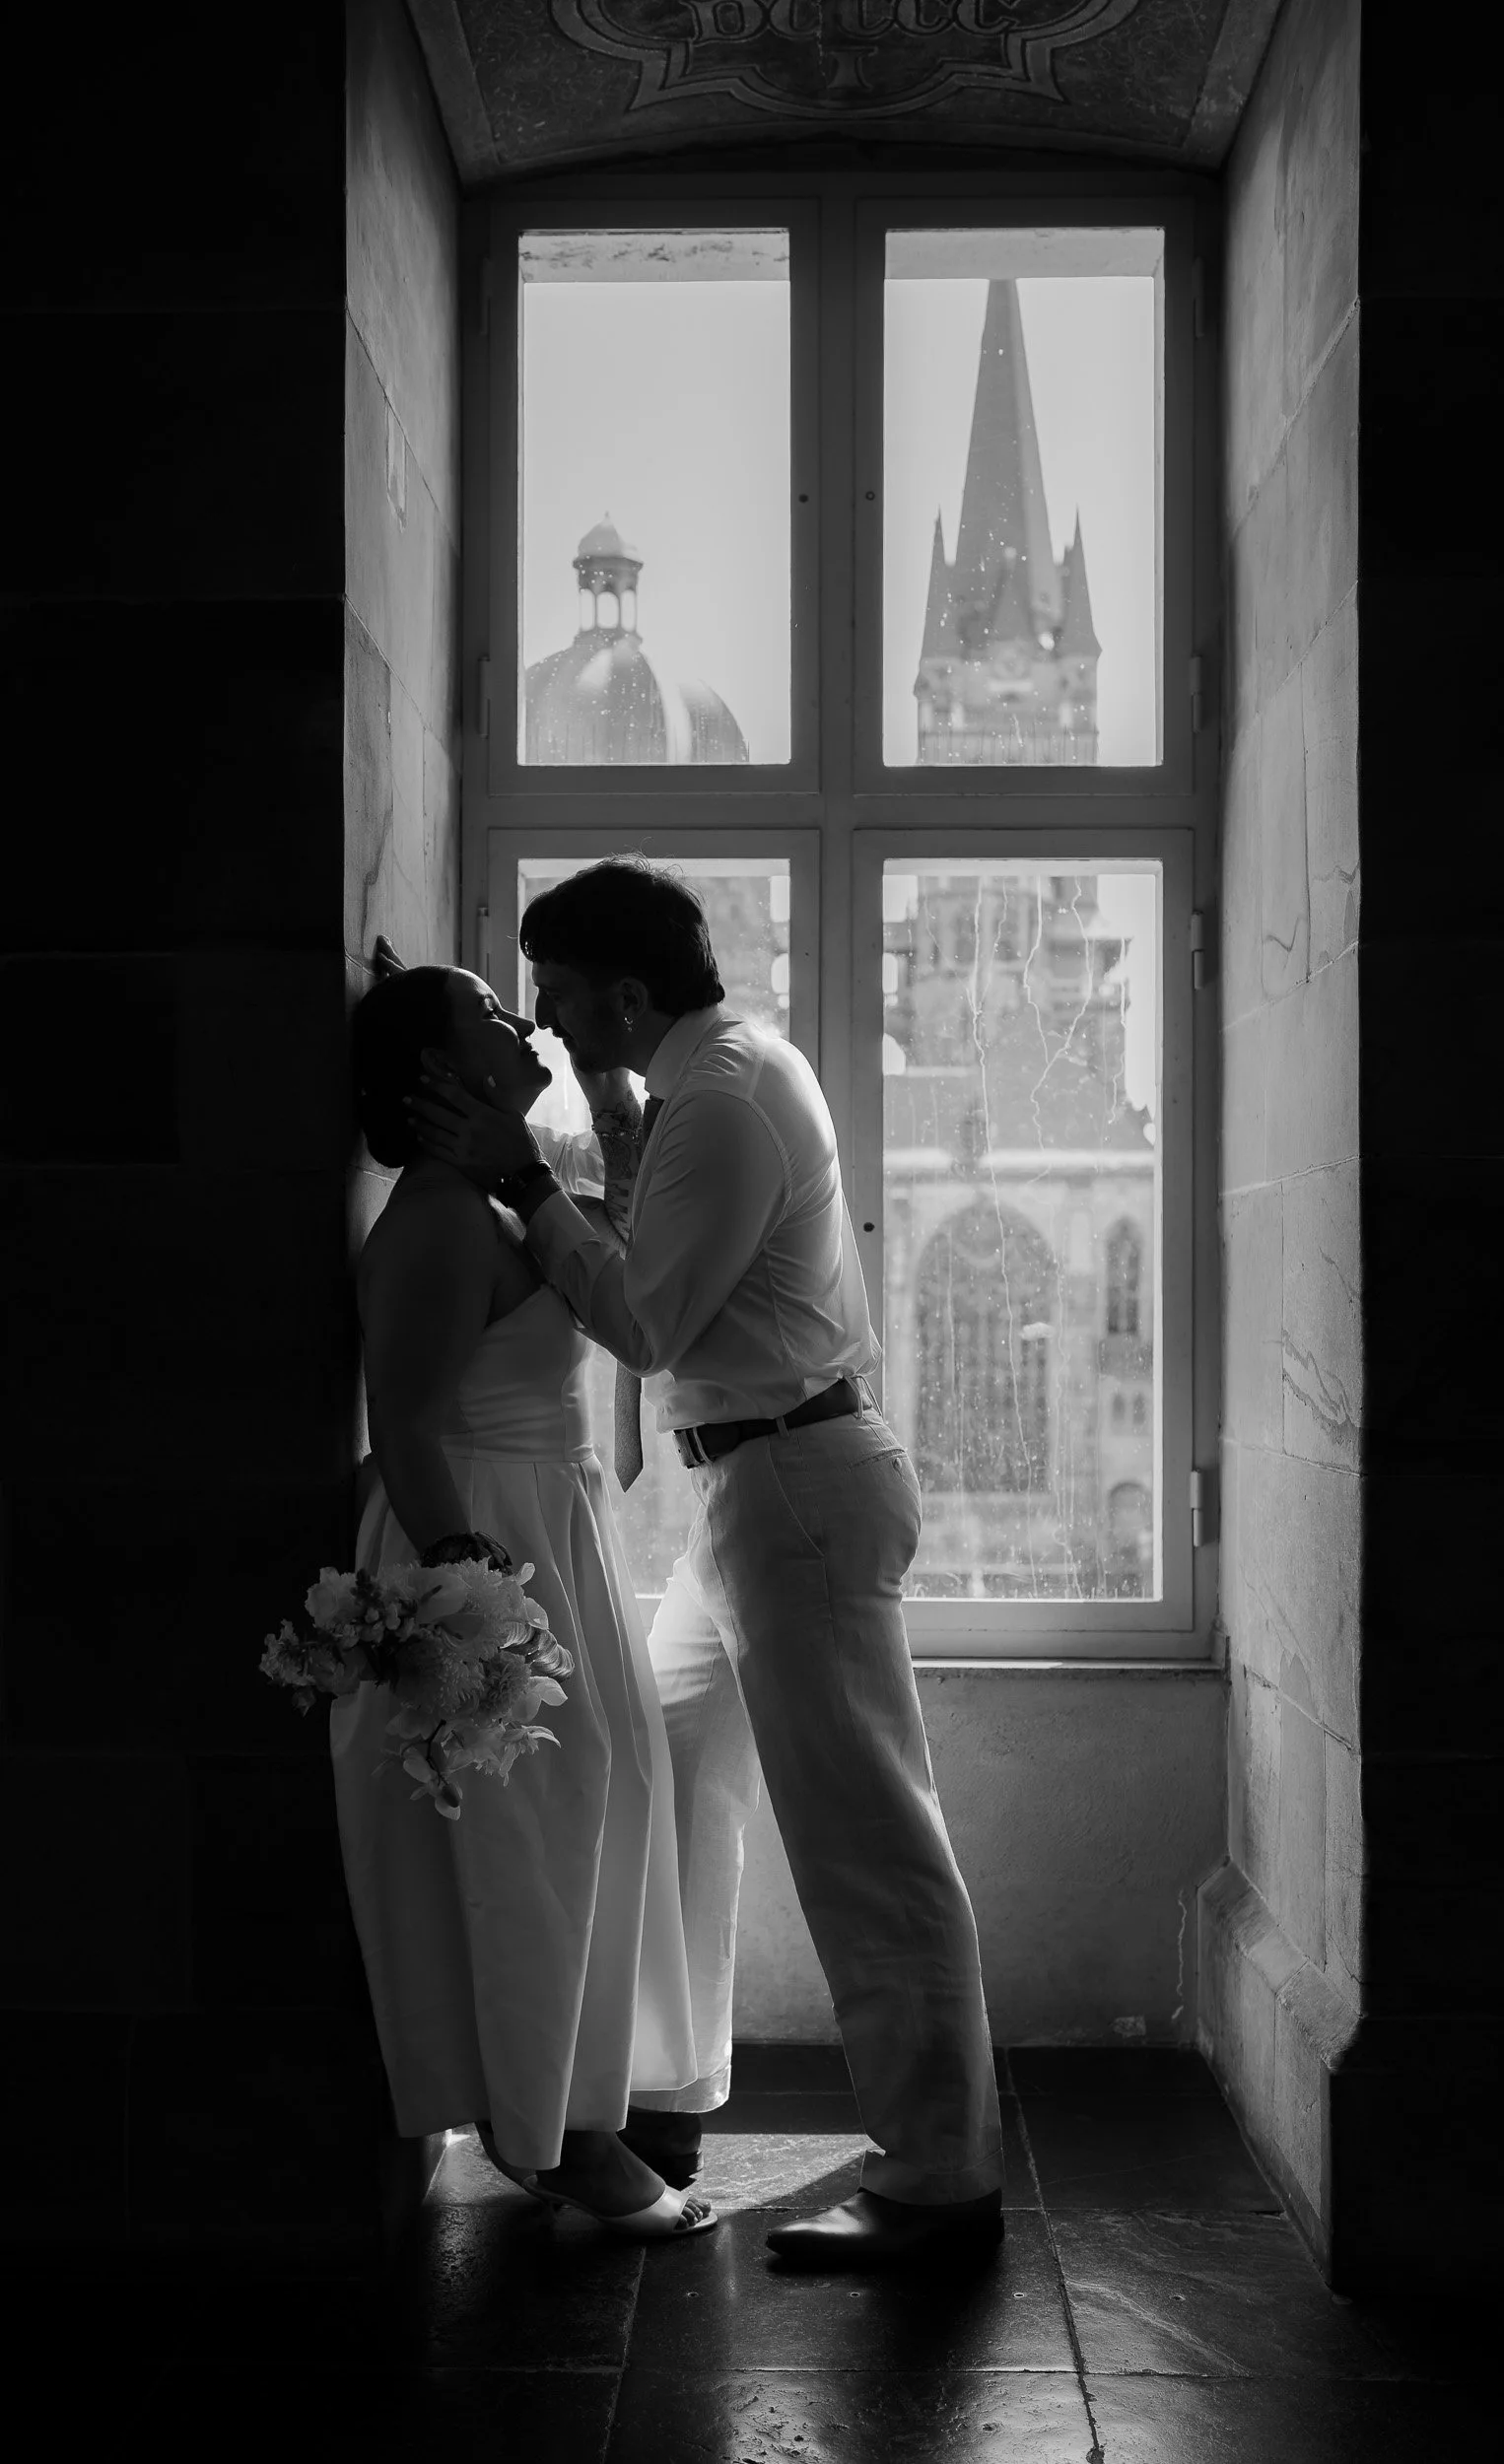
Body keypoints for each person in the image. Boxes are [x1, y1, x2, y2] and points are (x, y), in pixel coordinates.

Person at [412, 861, 1003, 2270]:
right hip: (752, 1496)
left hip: (789, 1491)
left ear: (627, 990)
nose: (544, 1023)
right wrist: (593, 1158)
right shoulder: (710, 1081)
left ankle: (939, 2180)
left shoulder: (726, 1100)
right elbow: (664, 1259)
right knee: (661, 1768)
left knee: (867, 1839)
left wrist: (510, 1175)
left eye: (553, 991)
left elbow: (649, 1322)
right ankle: (659, 2102)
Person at [333, 943, 714, 2239]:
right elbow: (408, 1418)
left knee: (600, 1800)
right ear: (445, 1069)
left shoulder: (495, 1193)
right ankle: (555, 2138)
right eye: (494, 1011)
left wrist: (548, 1132)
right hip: (487, 1539)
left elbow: (616, 1263)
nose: (525, 1019)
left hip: (546, 1520)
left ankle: (567, 2110)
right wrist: (458, 1586)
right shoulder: (440, 1221)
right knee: (536, 1835)